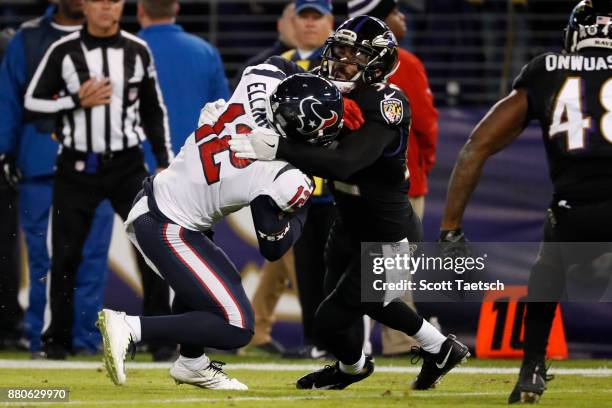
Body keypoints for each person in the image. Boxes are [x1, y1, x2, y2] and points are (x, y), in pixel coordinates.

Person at [230, 16, 468, 391]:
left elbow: (346, 162)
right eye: (339, 52)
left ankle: (393, 359)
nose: (341, 62)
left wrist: (279, 147)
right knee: (366, 306)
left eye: (353, 56)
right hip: (348, 222)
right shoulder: (334, 92)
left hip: (387, 230)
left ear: (377, 64)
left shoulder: (387, 102)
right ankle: (415, 354)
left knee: (328, 320)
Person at [96, 69, 344, 390]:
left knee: (215, 288)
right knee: (237, 325)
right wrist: (301, 212)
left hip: (164, 204)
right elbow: (273, 247)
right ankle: (130, 327)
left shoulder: (260, 84)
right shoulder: (281, 173)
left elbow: (270, 63)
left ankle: (192, 364)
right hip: (168, 223)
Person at [439, 0, 612, 403]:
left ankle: (532, 368)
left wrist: (450, 227)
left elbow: (476, 145)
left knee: (547, 270)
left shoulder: (547, 69)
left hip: (575, 210)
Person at [23, 0, 173, 360]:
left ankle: (161, 339)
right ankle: (56, 341)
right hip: (76, 168)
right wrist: (74, 101)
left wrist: (165, 162)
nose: (107, 7)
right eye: (99, 1)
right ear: (86, 6)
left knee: (152, 250)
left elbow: (154, 109)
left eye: (115, 1)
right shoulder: (64, 50)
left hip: (127, 165)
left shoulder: (138, 50)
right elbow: (32, 102)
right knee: (64, 256)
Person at [0, 0, 115, 357]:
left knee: (93, 258)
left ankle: (85, 339)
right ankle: (45, 339)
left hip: (99, 160)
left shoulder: (119, 40)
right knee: (44, 262)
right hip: (42, 164)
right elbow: (9, 99)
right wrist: (5, 150)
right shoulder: (27, 39)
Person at [347, 0, 439, 357]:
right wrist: (422, 165)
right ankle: (401, 341)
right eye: (396, 13)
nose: (403, 19)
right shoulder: (408, 64)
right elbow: (427, 126)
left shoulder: (343, 63)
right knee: (393, 266)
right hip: (399, 179)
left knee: (369, 264)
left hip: (352, 180)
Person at [137, 0, 230, 152]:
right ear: (176, 8)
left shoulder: (125, 53)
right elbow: (223, 111)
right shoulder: (206, 51)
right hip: (195, 160)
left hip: (140, 161)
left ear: (140, 9)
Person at [231, 2, 297, 89]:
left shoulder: (319, 62)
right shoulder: (256, 66)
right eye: (294, 20)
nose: (303, 25)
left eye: (315, 18)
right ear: (280, 24)